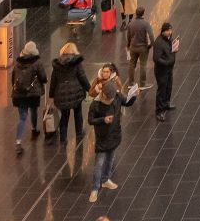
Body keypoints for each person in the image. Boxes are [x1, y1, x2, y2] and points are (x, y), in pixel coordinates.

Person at [86, 67, 136, 199]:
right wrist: (103, 120)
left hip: (114, 134)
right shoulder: (95, 104)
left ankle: (105, 179)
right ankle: (95, 188)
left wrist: (134, 96)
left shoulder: (117, 97)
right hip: (102, 138)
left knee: (110, 159)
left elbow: (127, 102)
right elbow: (90, 120)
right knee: (99, 163)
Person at [50, 41, 93, 147]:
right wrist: (90, 89)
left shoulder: (57, 64)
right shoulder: (76, 62)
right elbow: (82, 77)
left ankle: (63, 138)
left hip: (61, 93)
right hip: (76, 92)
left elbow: (53, 80)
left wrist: (51, 95)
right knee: (78, 112)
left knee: (64, 116)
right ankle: (79, 133)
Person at [10, 40, 48, 153]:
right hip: (32, 93)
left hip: (19, 94)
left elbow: (13, 79)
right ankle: (34, 129)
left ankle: (18, 142)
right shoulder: (37, 62)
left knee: (22, 117)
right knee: (34, 110)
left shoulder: (17, 63)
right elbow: (43, 77)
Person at [152, 22, 179, 119]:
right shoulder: (158, 42)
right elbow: (156, 58)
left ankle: (166, 103)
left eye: (170, 30)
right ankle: (159, 111)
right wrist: (167, 62)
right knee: (162, 90)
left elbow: (170, 50)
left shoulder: (169, 38)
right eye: (168, 31)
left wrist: (175, 48)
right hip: (161, 71)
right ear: (163, 31)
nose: (170, 32)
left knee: (168, 87)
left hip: (169, 69)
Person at [124, 10, 152, 88]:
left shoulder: (130, 24)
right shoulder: (146, 24)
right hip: (143, 48)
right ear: (143, 14)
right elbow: (151, 36)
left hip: (133, 48)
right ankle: (142, 84)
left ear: (136, 13)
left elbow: (128, 36)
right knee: (143, 65)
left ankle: (131, 83)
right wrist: (150, 45)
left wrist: (128, 46)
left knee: (132, 64)